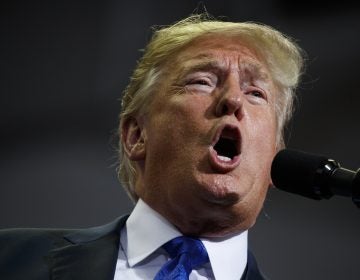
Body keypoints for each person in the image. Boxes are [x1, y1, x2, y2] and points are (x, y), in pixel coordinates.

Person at [0, 14, 304, 280]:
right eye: (202, 81)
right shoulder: (11, 260)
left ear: (275, 161)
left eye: (255, 93)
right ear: (137, 135)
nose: (234, 100)